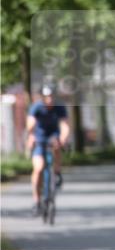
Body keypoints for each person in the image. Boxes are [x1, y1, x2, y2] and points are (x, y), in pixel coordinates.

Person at [25, 85, 70, 215]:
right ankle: (37, 201)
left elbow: (65, 125)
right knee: (38, 169)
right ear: (42, 97)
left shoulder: (59, 107)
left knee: (57, 145)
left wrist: (63, 138)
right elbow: (30, 125)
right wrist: (31, 136)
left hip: (53, 135)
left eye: (51, 96)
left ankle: (57, 172)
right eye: (46, 97)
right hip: (39, 137)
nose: (49, 99)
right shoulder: (36, 107)